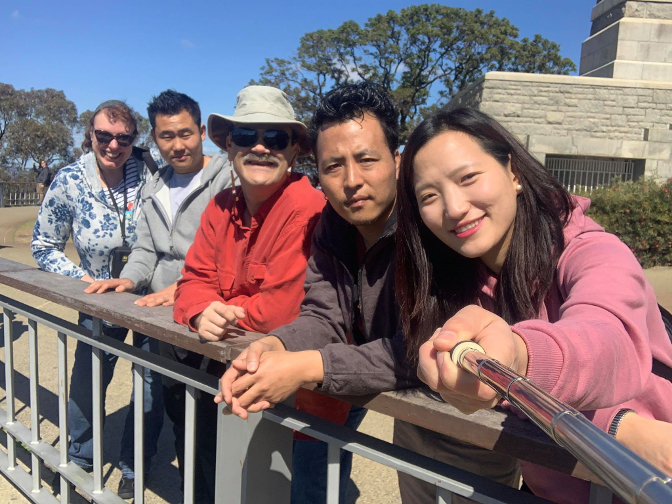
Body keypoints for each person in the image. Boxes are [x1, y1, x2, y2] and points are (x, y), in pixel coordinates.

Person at [217, 82, 520, 504]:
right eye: (333, 166)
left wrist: (308, 366)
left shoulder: (433, 224)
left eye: (366, 160)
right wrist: (276, 344)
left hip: (477, 419)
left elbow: (423, 346)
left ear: (397, 162)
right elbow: (325, 314)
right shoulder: (333, 225)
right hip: (414, 412)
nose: (351, 181)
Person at [396, 107, 672, 502]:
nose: (453, 207)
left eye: (468, 177)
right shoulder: (457, 286)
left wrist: (518, 359)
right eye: (429, 195)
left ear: (513, 172)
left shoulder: (593, 251)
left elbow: (609, 342)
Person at [171, 85, 326, 502]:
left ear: (294, 151)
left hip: (307, 395)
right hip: (243, 376)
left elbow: (281, 310)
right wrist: (201, 311)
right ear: (228, 147)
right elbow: (192, 280)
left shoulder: (307, 207)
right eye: (245, 137)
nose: (260, 148)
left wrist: (216, 306)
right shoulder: (219, 204)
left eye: (275, 138)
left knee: (305, 488)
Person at [83, 90, 232, 499]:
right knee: (176, 407)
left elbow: (228, 254)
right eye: (167, 136)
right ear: (155, 136)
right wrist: (129, 280)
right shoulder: (155, 183)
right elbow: (146, 249)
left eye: (186, 133)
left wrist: (181, 289)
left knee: (212, 417)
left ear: (201, 132)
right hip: (162, 314)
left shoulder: (228, 178)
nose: (178, 145)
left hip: (207, 311)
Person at [31, 100, 165, 498]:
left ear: (134, 140)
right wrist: (82, 279)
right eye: (104, 135)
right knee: (88, 383)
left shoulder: (149, 175)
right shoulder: (69, 180)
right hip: (96, 301)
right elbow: (43, 244)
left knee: (151, 387)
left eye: (123, 138)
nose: (113, 145)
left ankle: (134, 464)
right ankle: (81, 458)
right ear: (90, 135)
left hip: (148, 299)